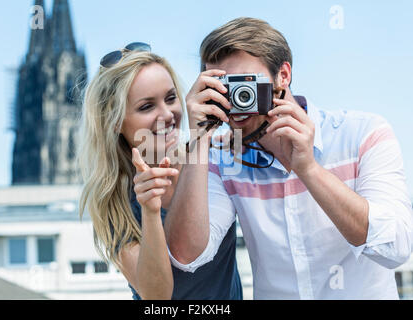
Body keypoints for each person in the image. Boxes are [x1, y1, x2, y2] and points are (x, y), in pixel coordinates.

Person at [165, 18, 413, 299]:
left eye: (244, 84)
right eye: (222, 88)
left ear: (283, 75)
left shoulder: (362, 135)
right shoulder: (222, 157)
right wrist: (198, 138)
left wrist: (308, 168)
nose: (235, 102)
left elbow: (395, 247)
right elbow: (187, 255)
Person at [77, 43, 242, 300]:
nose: (167, 114)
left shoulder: (210, 156)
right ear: (115, 122)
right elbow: (156, 296)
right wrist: (150, 212)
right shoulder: (114, 201)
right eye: (146, 107)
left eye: (170, 98)